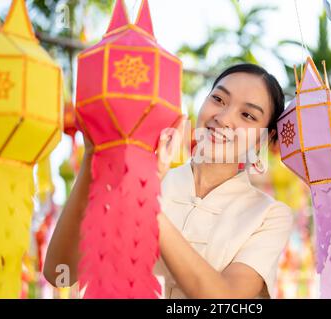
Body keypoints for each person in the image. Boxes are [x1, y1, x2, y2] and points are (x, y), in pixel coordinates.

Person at [44, 63, 293, 299]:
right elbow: (59, 273)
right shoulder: (143, 176)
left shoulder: (269, 215)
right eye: (218, 99)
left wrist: (146, 200)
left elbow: (223, 299)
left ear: (264, 138)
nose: (224, 118)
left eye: (247, 115)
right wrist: (92, 157)